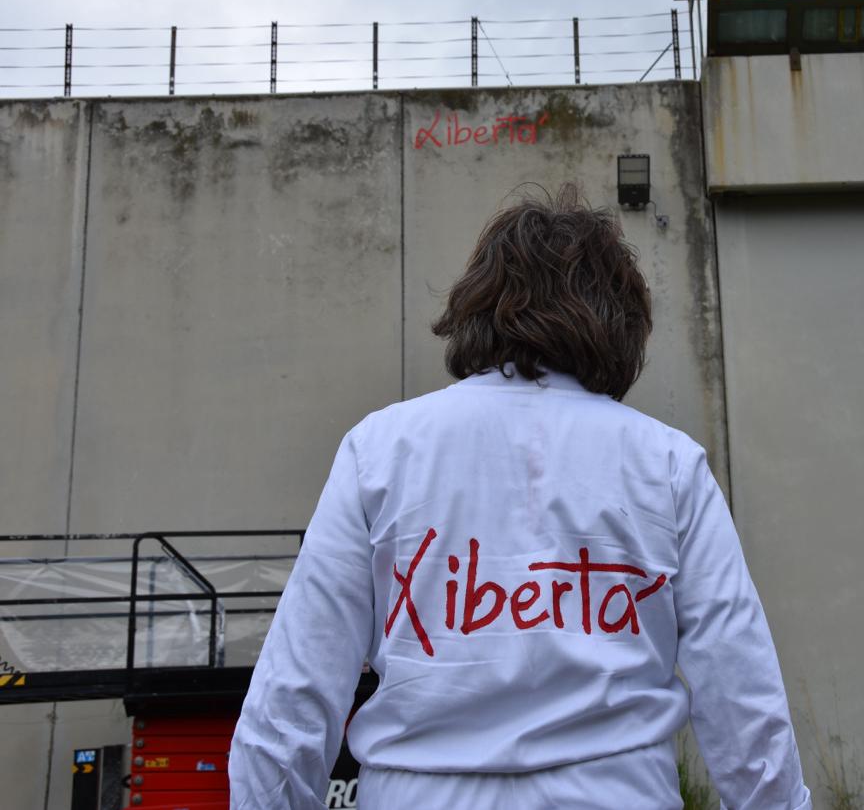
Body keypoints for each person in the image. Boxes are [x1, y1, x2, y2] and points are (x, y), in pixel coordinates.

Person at [228, 184, 812, 809]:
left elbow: (294, 694)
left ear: (477, 306)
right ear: (619, 322)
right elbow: (742, 695)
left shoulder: (379, 451)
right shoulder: (667, 464)